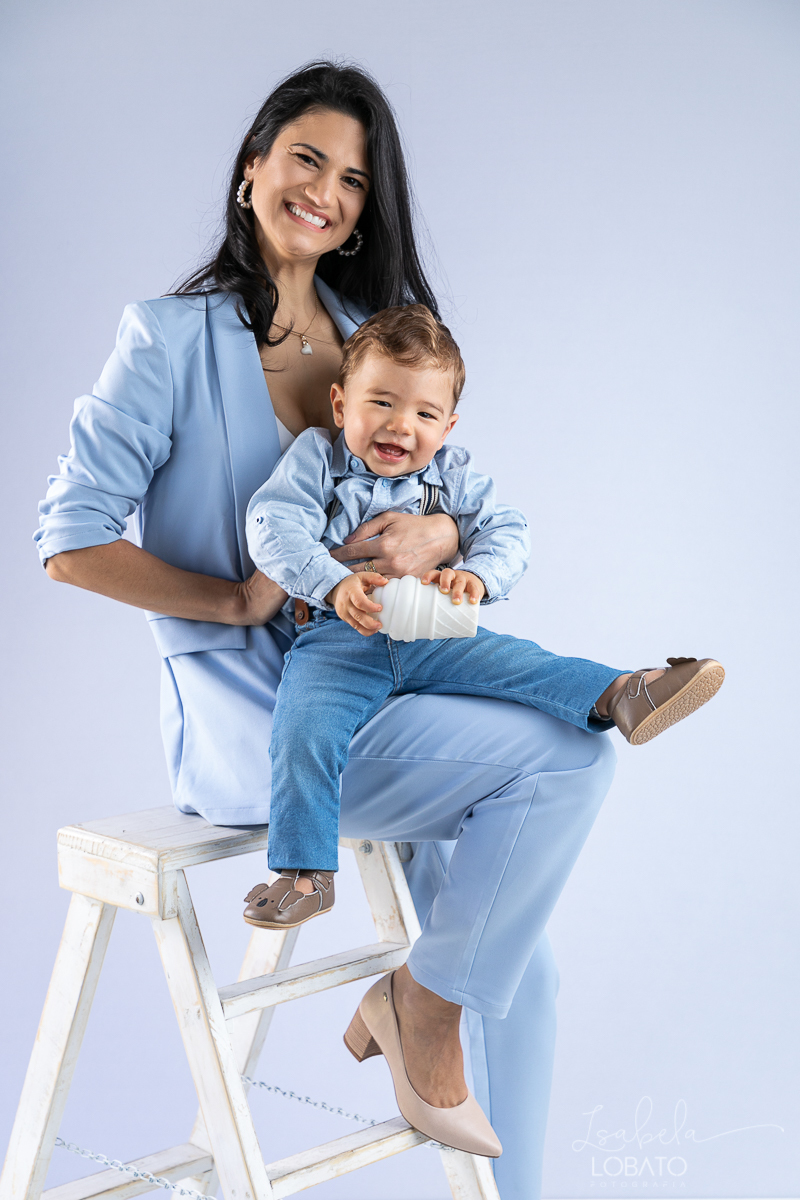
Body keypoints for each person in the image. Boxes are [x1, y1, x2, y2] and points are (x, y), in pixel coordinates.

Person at [36, 59, 627, 1198]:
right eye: (305, 157)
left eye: (354, 178)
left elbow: (451, 495)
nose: (326, 191)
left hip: (392, 671)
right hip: (259, 713)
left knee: (521, 957)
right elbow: (66, 541)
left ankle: (486, 1111)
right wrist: (234, 599)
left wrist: (436, 543)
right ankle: (415, 1002)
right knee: (564, 758)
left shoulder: (376, 335)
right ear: (252, 165)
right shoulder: (166, 339)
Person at [242, 303, 724, 935]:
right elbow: (270, 525)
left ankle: (624, 692)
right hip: (340, 637)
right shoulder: (317, 459)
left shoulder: (454, 474)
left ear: (448, 424)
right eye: (381, 403)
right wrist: (332, 585)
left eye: (423, 413)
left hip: (429, 627)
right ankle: (305, 875)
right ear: (340, 406)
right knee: (303, 724)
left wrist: (478, 575)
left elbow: (508, 529)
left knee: (518, 662)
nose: (400, 425)